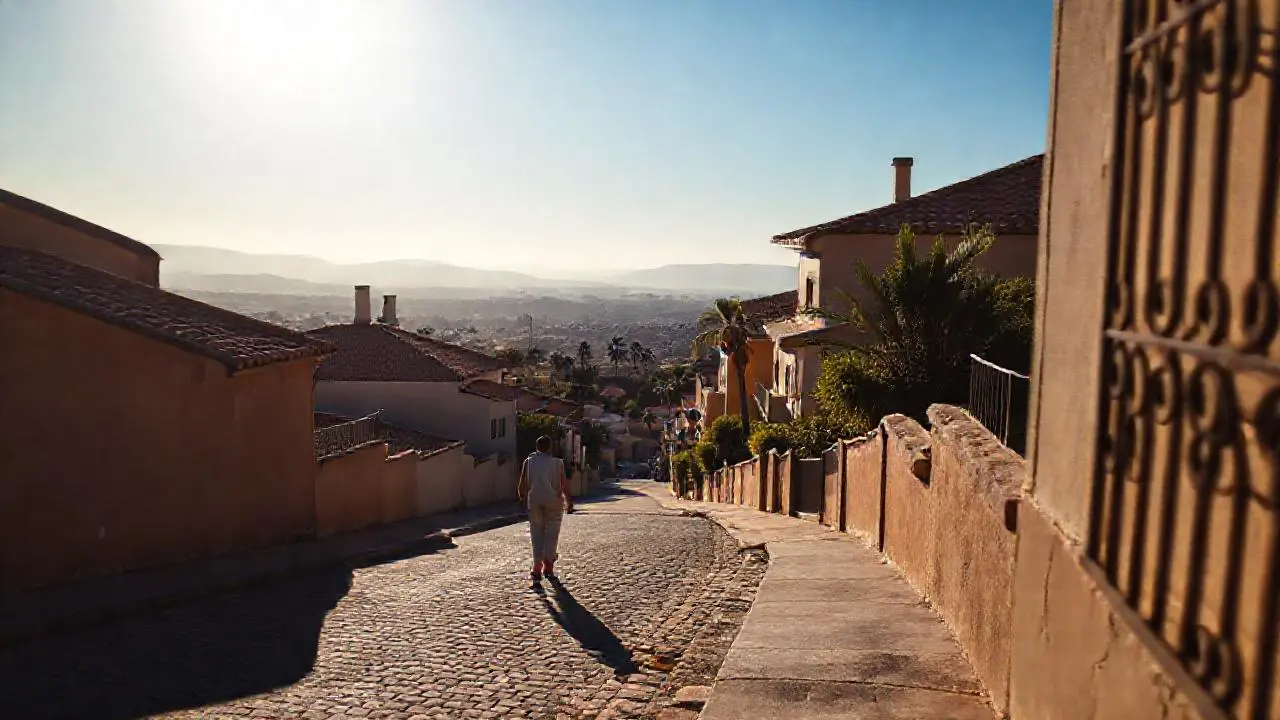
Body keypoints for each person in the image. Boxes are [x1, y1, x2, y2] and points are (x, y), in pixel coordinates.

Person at [517, 435, 573, 583]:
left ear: (536, 447)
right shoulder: (557, 463)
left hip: (534, 499)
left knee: (536, 533)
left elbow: (522, 482)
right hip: (554, 500)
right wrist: (569, 500)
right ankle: (548, 564)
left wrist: (522, 497)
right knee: (552, 532)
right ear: (550, 447)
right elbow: (563, 484)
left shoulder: (528, 462)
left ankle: (536, 566)